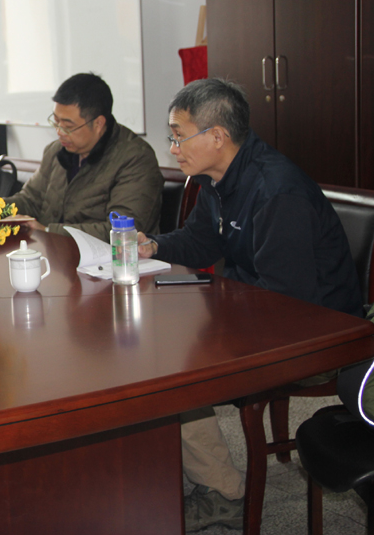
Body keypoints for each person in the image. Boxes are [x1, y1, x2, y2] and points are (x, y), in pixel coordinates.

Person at [137, 78, 363, 531]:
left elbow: (285, 301)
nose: (173, 148)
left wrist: (210, 310)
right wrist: (153, 246)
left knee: (170, 371)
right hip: (264, 312)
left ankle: (223, 493)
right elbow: (200, 242)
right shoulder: (217, 179)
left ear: (217, 136)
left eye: (179, 137)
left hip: (317, 333)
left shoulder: (277, 191)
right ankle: (165, 474)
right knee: (151, 351)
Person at [2, 72, 163, 240]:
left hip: (107, 256)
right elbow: (30, 201)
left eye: (68, 126)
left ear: (98, 124)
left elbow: (124, 230)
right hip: (53, 250)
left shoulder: (136, 159)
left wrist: (49, 231)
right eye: (56, 121)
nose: (59, 132)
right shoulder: (55, 151)